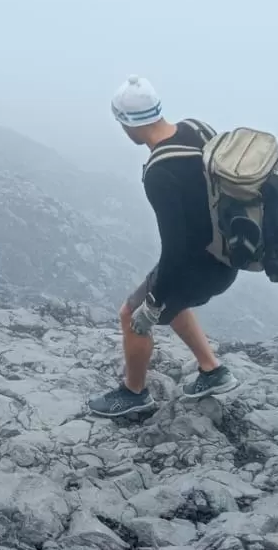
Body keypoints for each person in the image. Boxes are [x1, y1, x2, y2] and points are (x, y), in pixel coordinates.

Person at [88, 76, 240, 418]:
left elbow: (175, 247)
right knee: (174, 302)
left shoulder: (159, 171)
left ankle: (133, 394)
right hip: (228, 254)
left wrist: (152, 303)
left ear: (127, 124)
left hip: (198, 265)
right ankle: (212, 371)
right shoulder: (198, 129)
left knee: (133, 314)